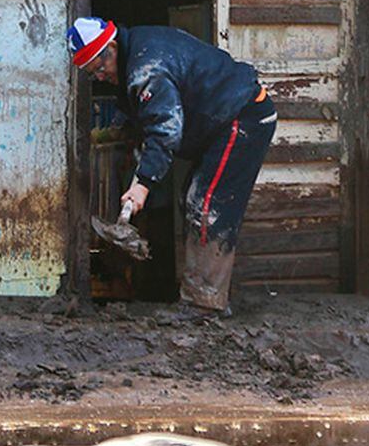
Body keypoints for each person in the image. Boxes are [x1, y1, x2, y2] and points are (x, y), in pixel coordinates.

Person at [67, 17, 277, 314]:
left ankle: (204, 304)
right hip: (222, 120)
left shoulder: (146, 70)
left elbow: (165, 128)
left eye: (100, 67)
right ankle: (199, 295)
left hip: (242, 117)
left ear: (111, 47)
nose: (100, 76)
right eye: (92, 74)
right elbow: (142, 107)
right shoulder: (136, 52)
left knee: (206, 205)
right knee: (191, 198)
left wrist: (142, 185)